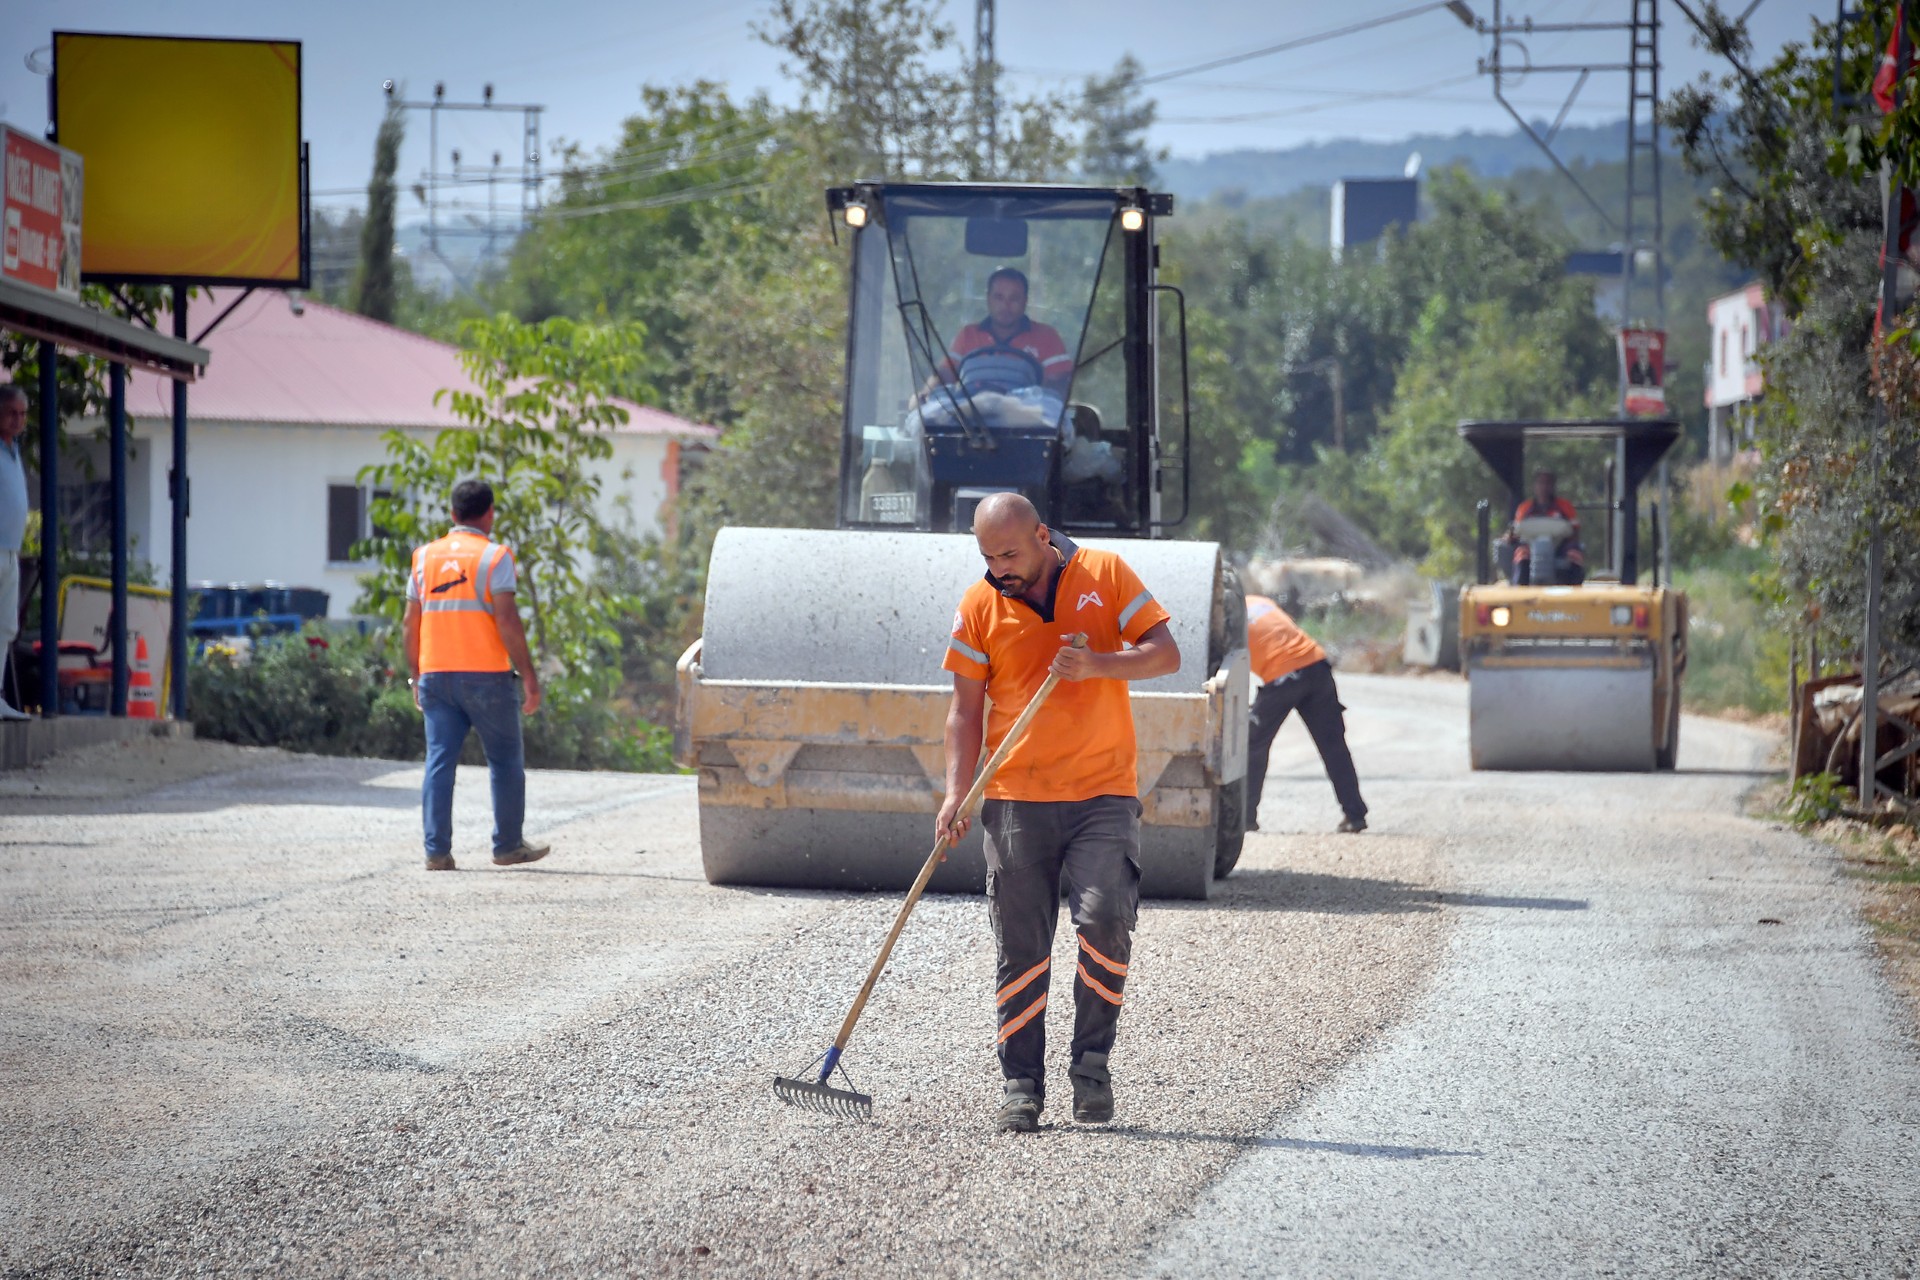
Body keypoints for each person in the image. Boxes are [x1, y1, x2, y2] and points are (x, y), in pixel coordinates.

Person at [938, 492, 1180, 1133]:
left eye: (1011, 553)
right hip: (1016, 797)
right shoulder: (978, 605)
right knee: (1021, 945)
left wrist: (1098, 663)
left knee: (1103, 922)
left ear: (1043, 535)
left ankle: (1091, 1068)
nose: (1000, 568)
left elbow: (1166, 653)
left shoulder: (1105, 574)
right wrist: (955, 794)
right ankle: (1021, 1085)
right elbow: (964, 713)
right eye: (988, 556)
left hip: (1103, 793)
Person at [403, 479, 549, 872]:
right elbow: (508, 621)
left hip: (435, 675)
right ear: (490, 514)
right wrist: (530, 676)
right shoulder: (494, 557)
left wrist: (416, 675)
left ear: (452, 515)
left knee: (439, 762)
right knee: (504, 760)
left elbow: (409, 623)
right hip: (487, 676)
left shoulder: (423, 558)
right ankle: (507, 846)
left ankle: (437, 852)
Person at [1244, 596, 1367, 836]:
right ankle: (1355, 815)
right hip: (1316, 665)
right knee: (1334, 746)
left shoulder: (1225, 613)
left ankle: (1246, 817)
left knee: (1254, 745)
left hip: (1282, 675)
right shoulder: (1261, 601)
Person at [938, 268, 1074, 398]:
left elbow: (1058, 388)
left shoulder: (1047, 337)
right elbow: (944, 377)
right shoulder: (967, 335)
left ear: (1025, 301)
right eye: (998, 297)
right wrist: (923, 396)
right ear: (988, 299)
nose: (1005, 305)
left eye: (1014, 298)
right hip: (969, 418)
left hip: (1026, 418)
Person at [0, 385, 30, 720]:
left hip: (10, 551)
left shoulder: (14, 449)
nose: (17, 420)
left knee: (5, 627)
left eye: (22, 414)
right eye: (11, 412)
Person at [1508, 468, 1585, 586]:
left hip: (1560, 548)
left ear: (1553, 486)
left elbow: (1575, 530)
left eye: (1548, 483)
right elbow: (1516, 531)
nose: (1544, 487)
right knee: (1521, 554)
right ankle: (1520, 591)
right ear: (1535, 486)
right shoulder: (1524, 508)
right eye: (1540, 483)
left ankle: (1574, 591)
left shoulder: (1565, 506)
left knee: (1574, 553)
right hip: (1531, 547)